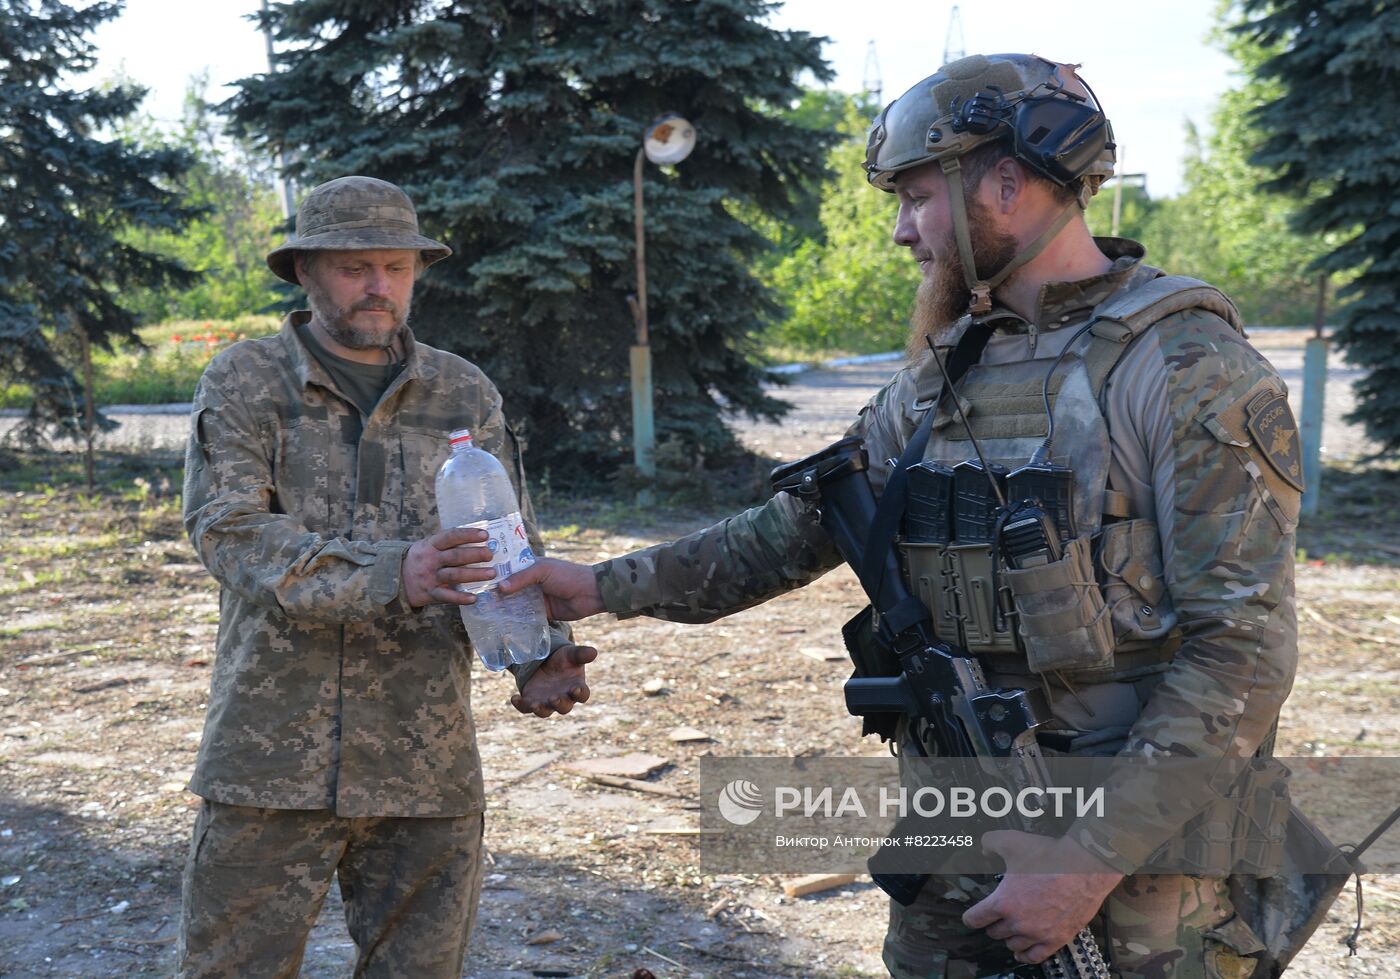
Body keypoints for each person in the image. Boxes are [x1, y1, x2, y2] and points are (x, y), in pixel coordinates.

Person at [499, 55, 1308, 978]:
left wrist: (1085, 864)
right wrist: (601, 586)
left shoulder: (1185, 365)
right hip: (963, 827)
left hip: (1138, 873)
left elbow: (1241, 655)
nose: (900, 231)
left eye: (918, 196)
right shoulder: (947, 369)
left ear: (1006, 179)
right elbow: (796, 528)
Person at [178, 175, 592, 978]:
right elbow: (226, 531)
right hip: (271, 760)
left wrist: (542, 653)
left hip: (424, 762)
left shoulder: (461, 391)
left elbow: (510, 538)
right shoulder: (245, 381)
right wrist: (390, 571)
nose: (379, 287)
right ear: (305, 271)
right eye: (354, 267)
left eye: (397, 267)